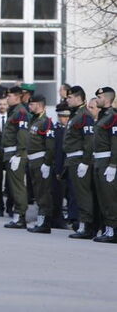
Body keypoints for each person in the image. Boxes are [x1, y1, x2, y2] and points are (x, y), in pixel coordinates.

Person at [64, 86, 97, 239]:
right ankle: (83, 224)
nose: (67, 100)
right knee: (78, 193)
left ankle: (86, 226)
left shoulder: (84, 116)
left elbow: (89, 140)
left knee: (83, 194)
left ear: (78, 98)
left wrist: (85, 161)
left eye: (70, 97)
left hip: (80, 159)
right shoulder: (76, 114)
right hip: (73, 159)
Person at [1, 86, 31, 229]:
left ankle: (20, 216)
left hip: (16, 154)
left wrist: (19, 154)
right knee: (13, 186)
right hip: (10, 153)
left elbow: (23, 134)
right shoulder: (14, 112)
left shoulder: (20, 112)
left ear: (17, 97)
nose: (7, 98)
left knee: (18, 186)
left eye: (10, 96)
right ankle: (18, 215)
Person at [25, 94, 56, 233]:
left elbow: (50, 145)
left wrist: (47, 163)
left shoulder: (46, 122)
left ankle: (45, 223)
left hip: (40, 160)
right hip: (32, 160)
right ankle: (40, 220)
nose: (29, 106)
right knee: (38, 192)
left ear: (38, 105)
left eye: (31, 104)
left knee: (43, 193)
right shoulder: (34, 120)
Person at [91, 88, 116, 243]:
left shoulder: (113, 117)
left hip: (108, 161)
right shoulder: (103, 116)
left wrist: (113, 164)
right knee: (102, 197)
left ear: (107, 99)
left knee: (110, 198)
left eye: (99, 97)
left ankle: (113, 231)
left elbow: (115, 142)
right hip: (99, 161)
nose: (96, 99)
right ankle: (108, 229)